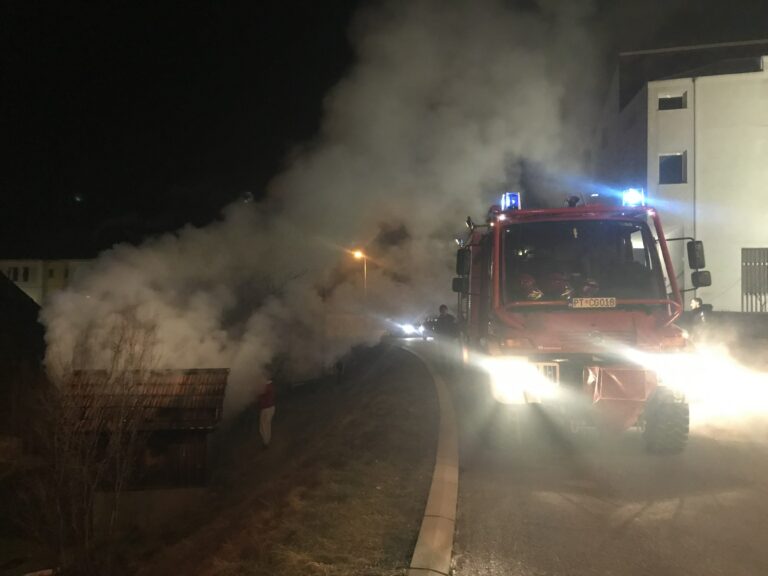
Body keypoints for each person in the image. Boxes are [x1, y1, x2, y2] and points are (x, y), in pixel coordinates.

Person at [257, 379, 276, 449]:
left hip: (268, 408)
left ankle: (266, 443)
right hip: (266, 408)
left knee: (265, 426)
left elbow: (263, 396)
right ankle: (266, 442)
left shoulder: (268, 386)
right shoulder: (268, 385)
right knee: (264, 426)